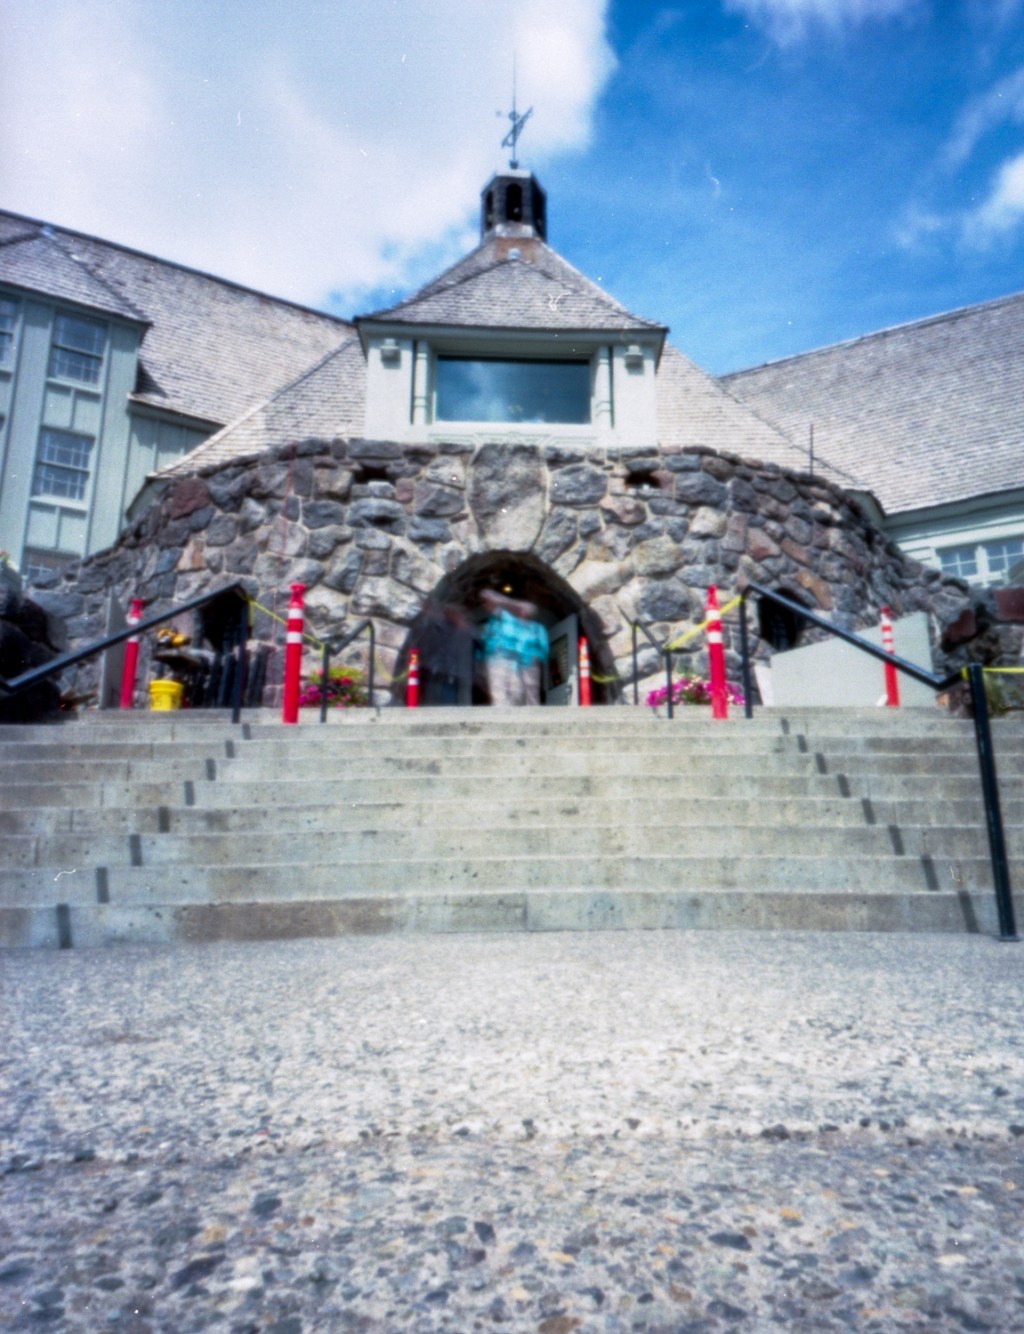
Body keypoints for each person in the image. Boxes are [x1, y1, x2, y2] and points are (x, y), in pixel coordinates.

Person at [480, 589, 549, 706]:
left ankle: (532, 715)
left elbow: (543, 646)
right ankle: (503, 717)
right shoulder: (508, 620)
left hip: (529, 661)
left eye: (524, 611)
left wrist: (538, 657)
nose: (522, 613)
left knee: (529, 689)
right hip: (510, 661)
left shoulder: (537, 627)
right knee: (506, 689)